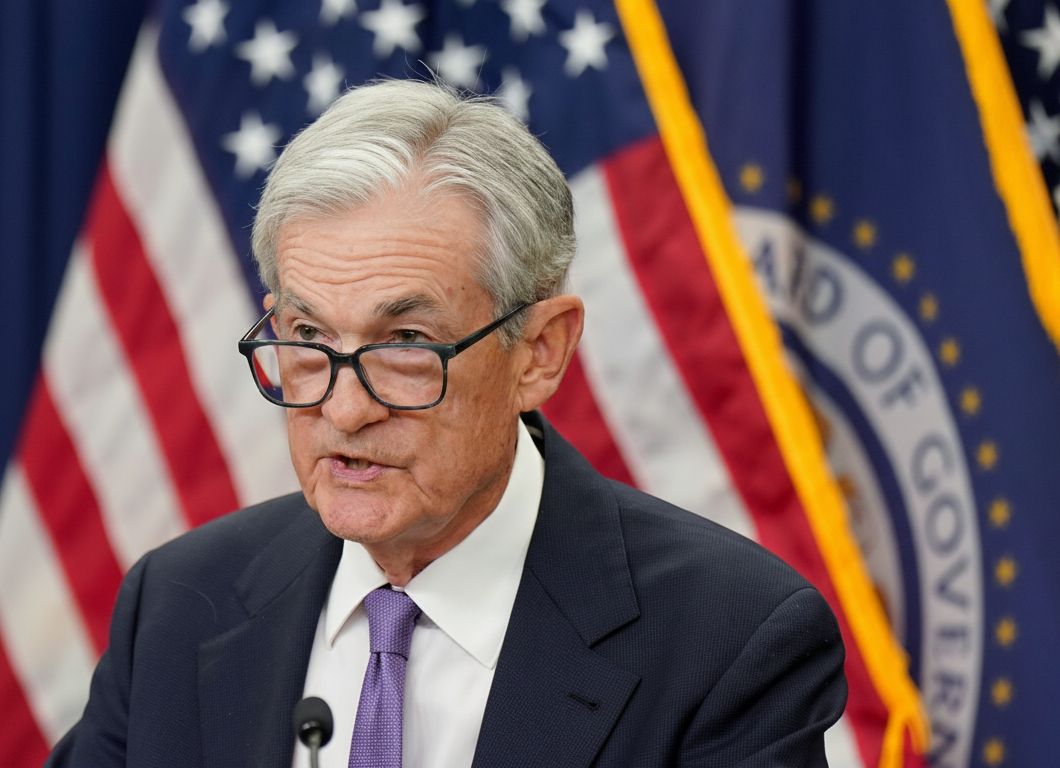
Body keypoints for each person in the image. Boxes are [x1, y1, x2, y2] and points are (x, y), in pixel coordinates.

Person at [46, 78, 846, 767]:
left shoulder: (730, 641)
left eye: (406, 344)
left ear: (538, 351)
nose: (345, 410)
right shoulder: (180, 604)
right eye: (311, 339)